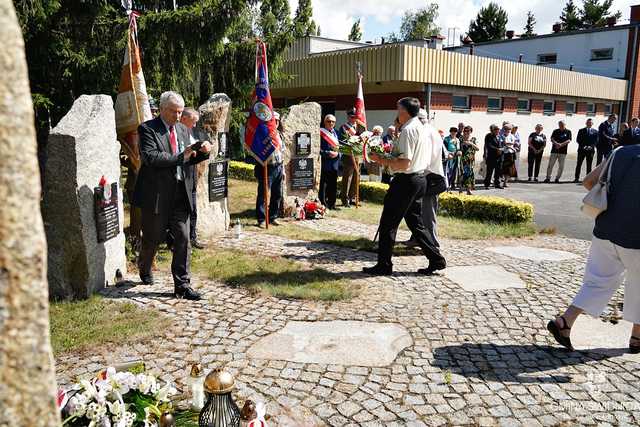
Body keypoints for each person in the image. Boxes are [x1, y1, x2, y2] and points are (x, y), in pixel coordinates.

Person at [547, 143, 640, 354]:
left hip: (605, 229)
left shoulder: (619, 152)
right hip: (636, 238)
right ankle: (636, 338)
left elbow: (588, 181)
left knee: (597, 281)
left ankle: (565, 321)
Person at [133, 91, 212, 301]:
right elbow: (151, 157)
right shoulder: (148, 129)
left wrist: (203, 152)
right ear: (162, 109)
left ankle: (182, 285)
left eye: (180, 112)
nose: (179, 116)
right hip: (156, 194)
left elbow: (188, 159)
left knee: (183, 238)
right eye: (174, 112)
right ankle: (144, 266)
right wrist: (181, 156)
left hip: (180, 194)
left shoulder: (183, 130)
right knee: (152, 238)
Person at [363, 98, 446, 276]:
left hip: (406, 181)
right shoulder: (422, 128)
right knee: (416, 224)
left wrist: (380, 159)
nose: (396, 112)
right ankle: (436, 259)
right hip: (419, 180)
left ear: (405, 111)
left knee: (388, 224)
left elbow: (404, 164)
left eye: (398, 109)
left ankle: (384, 265)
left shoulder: (408, 130)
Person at [407, 109, 447, 249]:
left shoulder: (427, 132)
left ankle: (432, 243)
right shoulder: (430, 130)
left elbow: (426, 157)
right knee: (418, 211)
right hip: (427, 175)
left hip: (429, 177)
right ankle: (417, 238)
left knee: (428, 212)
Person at [179, 107, 205, 250]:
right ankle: (178, 241)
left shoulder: (192, 132)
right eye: (193, 122)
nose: (195, 125)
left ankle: (193, 237)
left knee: (194, 209)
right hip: (181, 178)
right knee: (182, 211)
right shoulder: (176, 132)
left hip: (192, 175)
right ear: (184, 119)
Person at [254, 111, 284, 227]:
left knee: (277, 194)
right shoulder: (263, 135)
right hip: (267, 167)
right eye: (273, 120)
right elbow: (256, 151)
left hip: (278, 166)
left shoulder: (280, 135)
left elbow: (282, 152)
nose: (275, 123)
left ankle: (273, 216)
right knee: (263, 194)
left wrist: (283, 170)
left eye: (277, 121)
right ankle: (261, 219)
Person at [338, 108, 362, 207]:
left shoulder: (360, 127)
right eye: (352, 117)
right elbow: (342, 141)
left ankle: (352, 197)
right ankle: (345, 199)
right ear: (348, 117)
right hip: (348, 155)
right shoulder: (344, 127)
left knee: (356, 178)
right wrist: (353, 142)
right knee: (347, 178)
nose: (353, 119)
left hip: (358, 156)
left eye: (355, 117)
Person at [319, 114, 341, 209]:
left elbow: (342, 148)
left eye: (333, 122)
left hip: (335, 164)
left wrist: (338, 154)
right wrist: (328, 153)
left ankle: (332, 203)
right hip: (325, 163)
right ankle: (323, 204)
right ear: (324, 122)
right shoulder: (320, 133)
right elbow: (317, 149)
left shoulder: (336, 133)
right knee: (323, 185)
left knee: (333, 185)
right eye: (329, 121)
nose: (331, 123)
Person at [574, 118, 598, 183]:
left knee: (589, 165)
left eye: (590, 123)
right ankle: (576, 178)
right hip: (582, 150)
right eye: (588, 122)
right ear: (586, 123)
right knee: (579, 164)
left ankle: (588, 179)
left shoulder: (595, 131)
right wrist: (584, 146)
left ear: (592, 124)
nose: (589, 124)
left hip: (590, 151)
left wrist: (591, 146)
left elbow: (596, 141)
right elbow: (578, 139)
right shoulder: (581, 130)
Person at [460, 126, 479, 195]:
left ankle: (468, 189)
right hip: (463, 159)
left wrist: (470, 143)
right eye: (465, 131)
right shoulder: (460, 139)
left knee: (470, 174)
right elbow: (458, 148)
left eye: (468, 131)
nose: (466, 132)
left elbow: (477, 148)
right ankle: (462, 189)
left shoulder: (473, 139)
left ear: (471, 131)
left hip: (471, 159)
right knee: (463, 173)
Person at [484, 124, 503, 189]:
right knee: (489, 172)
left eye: (498, 130)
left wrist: (502, 149)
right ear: (493, 130)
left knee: (498, 171)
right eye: (496, 130)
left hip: (499, 157)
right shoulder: (489, 136)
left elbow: (502, 144)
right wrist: (497, 149)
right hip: (491, 157)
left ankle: (497, 184)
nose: (497, 131)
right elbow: (488, 145)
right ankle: (487, 184)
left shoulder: (500, 136)